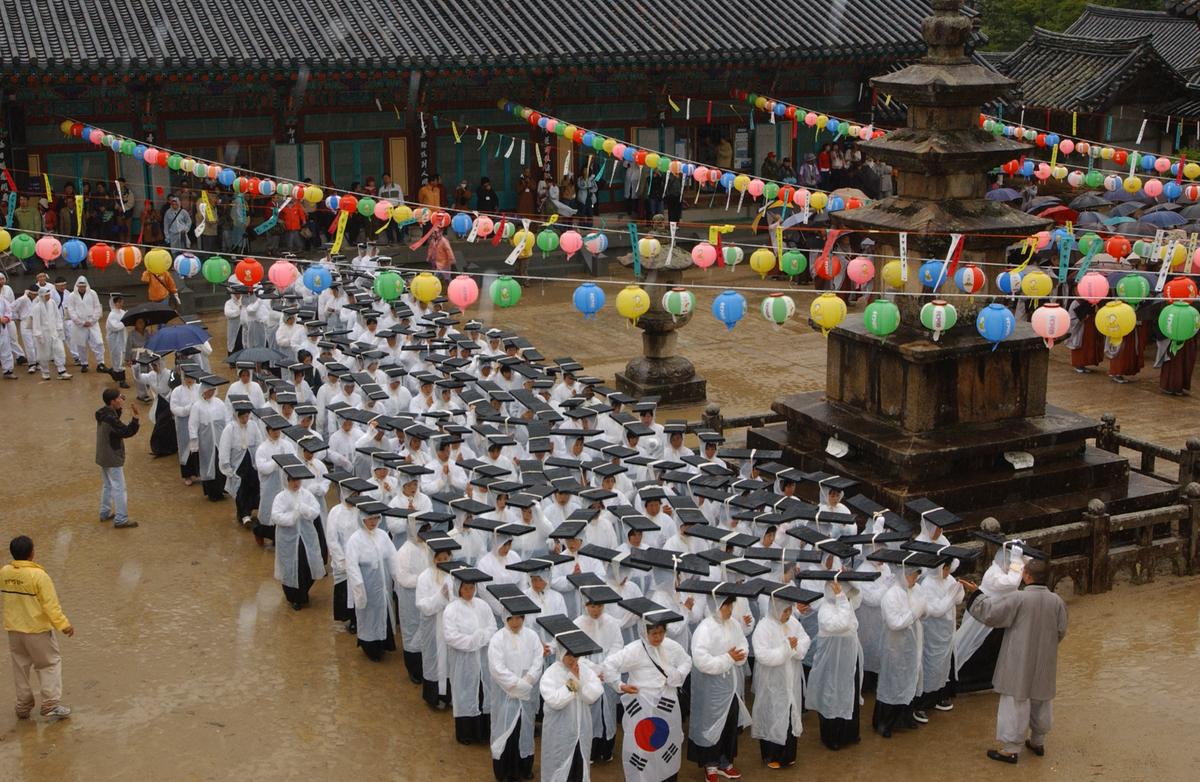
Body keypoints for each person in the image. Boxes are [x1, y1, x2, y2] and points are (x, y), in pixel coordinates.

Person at [960, 558, 1068, 764]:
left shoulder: (1018, 598)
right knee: (1041, 699)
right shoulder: (1057, 601)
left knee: (1015, 701)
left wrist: (976, 594)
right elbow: (1061, 630)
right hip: (1044, 659)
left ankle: (1010, 749)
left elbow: (991, 613)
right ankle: (1038, 741)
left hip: (1019, 659)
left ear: (1027, 575)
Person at [602, 601, 692, 782]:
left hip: (667, 705)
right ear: (644, 632)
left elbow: (686, 661)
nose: (658, 637)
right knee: (643, 746)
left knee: (667, 741)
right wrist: (620, 685)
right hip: (642, 708)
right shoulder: (634, 650)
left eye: (661, 632)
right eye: (654, 633)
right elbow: (609, 665)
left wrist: (676, 676)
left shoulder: (671, 646)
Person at [2, 535, 74, 720]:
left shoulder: (5, 572)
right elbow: (51, 605)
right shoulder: (39, 576)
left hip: (14, 630)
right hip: (37, 630)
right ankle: (50, 703)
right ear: (31, 553)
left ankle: (23, 705)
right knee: (49, 663)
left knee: (20, 666)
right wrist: (64, 625)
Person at [689, 587, 750, 782]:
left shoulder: (734, 624)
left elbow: (743, 644)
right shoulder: (704, 629)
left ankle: (726, 762)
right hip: (711, 688)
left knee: (729, 725)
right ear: (716, 605)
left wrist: (738, 656)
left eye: (731, 605)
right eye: (726, 606)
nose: (730, 610)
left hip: (731, 687)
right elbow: (701, 661)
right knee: (711, 724)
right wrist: (728, 658)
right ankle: (711, 765)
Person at [751, 587, 811, 766]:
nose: (788, 614)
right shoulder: (764, 627)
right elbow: (763, 655)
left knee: (790, 713)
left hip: (791, 678)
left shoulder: (792, 622)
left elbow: (805, 639)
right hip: (772, 681)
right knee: (773, 714)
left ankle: (787, 755)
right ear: (775, 609)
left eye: (789, 610)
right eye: (784, 611)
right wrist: (787, 648)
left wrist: (795, 648)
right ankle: (772, 755)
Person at [487, 598, 543, 782]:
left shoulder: (532, 636)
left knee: (525, 730)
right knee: (506, 732)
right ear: (505, 617)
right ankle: (506, 773)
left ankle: (524, 768)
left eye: (519, 617)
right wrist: (518, 685)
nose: (516, 622)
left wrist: (529, 679)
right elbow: (497, 668)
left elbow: (538, 660)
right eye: (512, 618)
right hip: (505, 696)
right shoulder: (498, 639)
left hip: (526, 695)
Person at [539, 627, 605, 782]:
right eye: (568, 654)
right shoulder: (551, 674)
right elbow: (555, 701)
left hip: (581, 730)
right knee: (559, 767)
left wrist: (579, 683)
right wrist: (574, 681)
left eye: (575, 654)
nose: (572, 658)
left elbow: (594, 693)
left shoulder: (584, 670)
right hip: (559, 733)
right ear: (561, 652)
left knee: (579, 767)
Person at [442, 566, 497, 745]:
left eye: (472, 587)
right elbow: (451, 636)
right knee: (465, 693)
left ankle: (483, 731)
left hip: (483, 659)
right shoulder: (451, 610)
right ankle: (466, 733)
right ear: (458, 588)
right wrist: (473, 641)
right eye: (465, 588)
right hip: (463, 661)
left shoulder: (483, 605)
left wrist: (481, 638)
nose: (469, 591)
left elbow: (492, 627)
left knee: (483, 691)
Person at [345, 502, 398, 660]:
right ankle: (370, 647)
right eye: (370, 519)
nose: (373, 522)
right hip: (367, 585)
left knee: (382, 613)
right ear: (362, 519)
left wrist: (397, 577)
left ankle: (384, 643)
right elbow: (352, 566)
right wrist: (359, 588)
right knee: (368, 616)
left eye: (376, 518)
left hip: (383, 585)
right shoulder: (355, 540)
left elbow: (393, 557)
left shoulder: (382, 535)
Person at [272, 464, 326, 610]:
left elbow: (316, 510)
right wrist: (293, 516)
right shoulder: (281, 497)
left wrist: (305, 509)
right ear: (287, 480)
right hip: (288, 539)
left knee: (307, 564)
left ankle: (304, 591)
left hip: (306, 536)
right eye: (293, 480)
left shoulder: (306, 495)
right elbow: (276, 516)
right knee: (291, 567)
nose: (296, 483)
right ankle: (295, 597)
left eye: (298, 480)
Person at [94, 388, 140, 529]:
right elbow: (126, 431)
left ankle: (105, 512)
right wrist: (135, 418)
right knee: (119, 488)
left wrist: (119, 408)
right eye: (119, 398)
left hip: (103, 455)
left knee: (108, 485)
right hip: (112, 456)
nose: (121, 400)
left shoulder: (103, 413)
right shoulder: (110, 419)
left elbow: (115, 419)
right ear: (112, 401)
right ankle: (121, 519)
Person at [218, 400, 262, 526]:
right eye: (243, 417)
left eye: (247, 417)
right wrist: (227, 467)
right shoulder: (230, 429)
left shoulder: (253, 426)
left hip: (251, 462)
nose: (245, 420)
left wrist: (259, 459)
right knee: (240, 489)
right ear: (237, 416)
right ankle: (244, 515)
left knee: (254, 487)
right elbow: (224, 448)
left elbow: (259, 442)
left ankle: (251, 510)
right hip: (238, 465)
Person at [188, 376, 230, 501]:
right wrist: (194, 442)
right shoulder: (197, 406)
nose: (211, 393)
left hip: (220, 440)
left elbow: (226, 419)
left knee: (220, 463)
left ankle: (222, 488)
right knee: (208, 465)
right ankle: (212, 492)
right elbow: (193, 425)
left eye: (213, 390)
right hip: (206, 442)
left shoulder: (219, 403)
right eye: (208, 390)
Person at [63, 276, 105, 373]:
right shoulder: (72, 296)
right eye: (80, 286)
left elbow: (97, 307)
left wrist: (92, 320)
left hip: (92, 323)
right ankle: (84, 363)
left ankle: (101, 363)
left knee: (98, 342)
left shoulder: (93, 293)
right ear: (77, 286)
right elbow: (71, 310)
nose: (82, 288)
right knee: (81, 344)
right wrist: (80, 322)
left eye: (83, 286)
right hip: (79, 325)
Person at [30, 285, 71, 380]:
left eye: (49, 295)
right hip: (43, 334)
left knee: (59, 351)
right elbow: (36, 323)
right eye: (46, 295)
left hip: (54, 332)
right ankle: (45, 372)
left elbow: (57, 316)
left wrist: (59, 327)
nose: (48, 297)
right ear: (42, 296)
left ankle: (62, 371)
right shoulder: (37, 308)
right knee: (43, 354)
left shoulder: (52, 303)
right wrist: (38, 335)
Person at [105, 294, 129, 387]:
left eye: (121, 301)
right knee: (118, 358)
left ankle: (114, 373)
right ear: (114, 303)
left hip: (122, 338)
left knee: (122, 357)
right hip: (115, 340)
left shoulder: (122, 312)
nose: (120, 303)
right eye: (118, 302)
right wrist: (124, 322)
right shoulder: (112, 315)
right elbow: (115, 327)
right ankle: (122, 380)